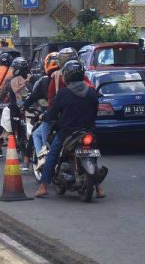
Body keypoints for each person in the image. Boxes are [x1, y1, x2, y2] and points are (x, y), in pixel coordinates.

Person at [35, 60, 103, 198]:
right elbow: (95, 111)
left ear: (67, 76)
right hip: (88, 132)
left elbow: (53, 112)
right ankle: (99, 188)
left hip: (67, 133)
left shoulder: (63, 93)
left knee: (52, 154)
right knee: (93, 155)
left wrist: (45, 117)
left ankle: (43, 187)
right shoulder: (91, 92)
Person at [0, 57, 31, 162]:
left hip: (15, 107)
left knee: (1, 124)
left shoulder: (11, 80)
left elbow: (2, 92)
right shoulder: (32, 78)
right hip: (30, 108)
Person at [25, 52, 59, 171]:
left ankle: (42, 161)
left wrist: (24, 106)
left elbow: (33, 97)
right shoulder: (71, 79)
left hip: (52, 116)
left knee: (44, 143)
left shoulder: (44, 81)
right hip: (72, 117)